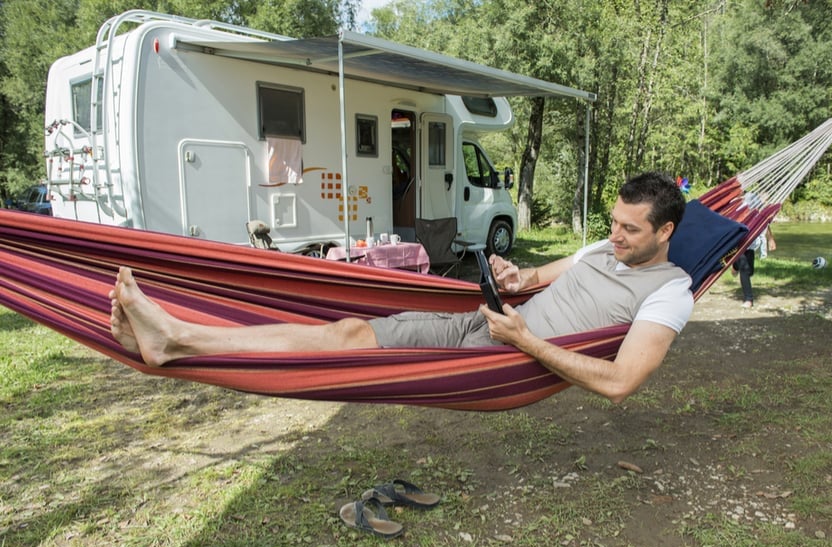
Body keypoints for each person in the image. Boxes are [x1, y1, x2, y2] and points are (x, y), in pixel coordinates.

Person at [109, 172, 694, 404]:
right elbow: (538, 279)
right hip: (486, 323)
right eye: (612, 222)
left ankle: (179, 338)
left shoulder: (670, 291)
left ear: (664, 231)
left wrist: (524, 341)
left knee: (353, 354)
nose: (613, 235)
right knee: (348, 330)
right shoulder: (601, 249)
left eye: (628, 229)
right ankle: (178, 337)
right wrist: (513, 278)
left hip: (504, 359)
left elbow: (619, 384)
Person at [733, 227, 776, 308]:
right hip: (738, 240)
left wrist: (770, 238)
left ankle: (735, 265)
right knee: (744, 268)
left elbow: (765, 221)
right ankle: (748, 299)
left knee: (750, 271)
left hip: (751, 242)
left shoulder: (756, 213)